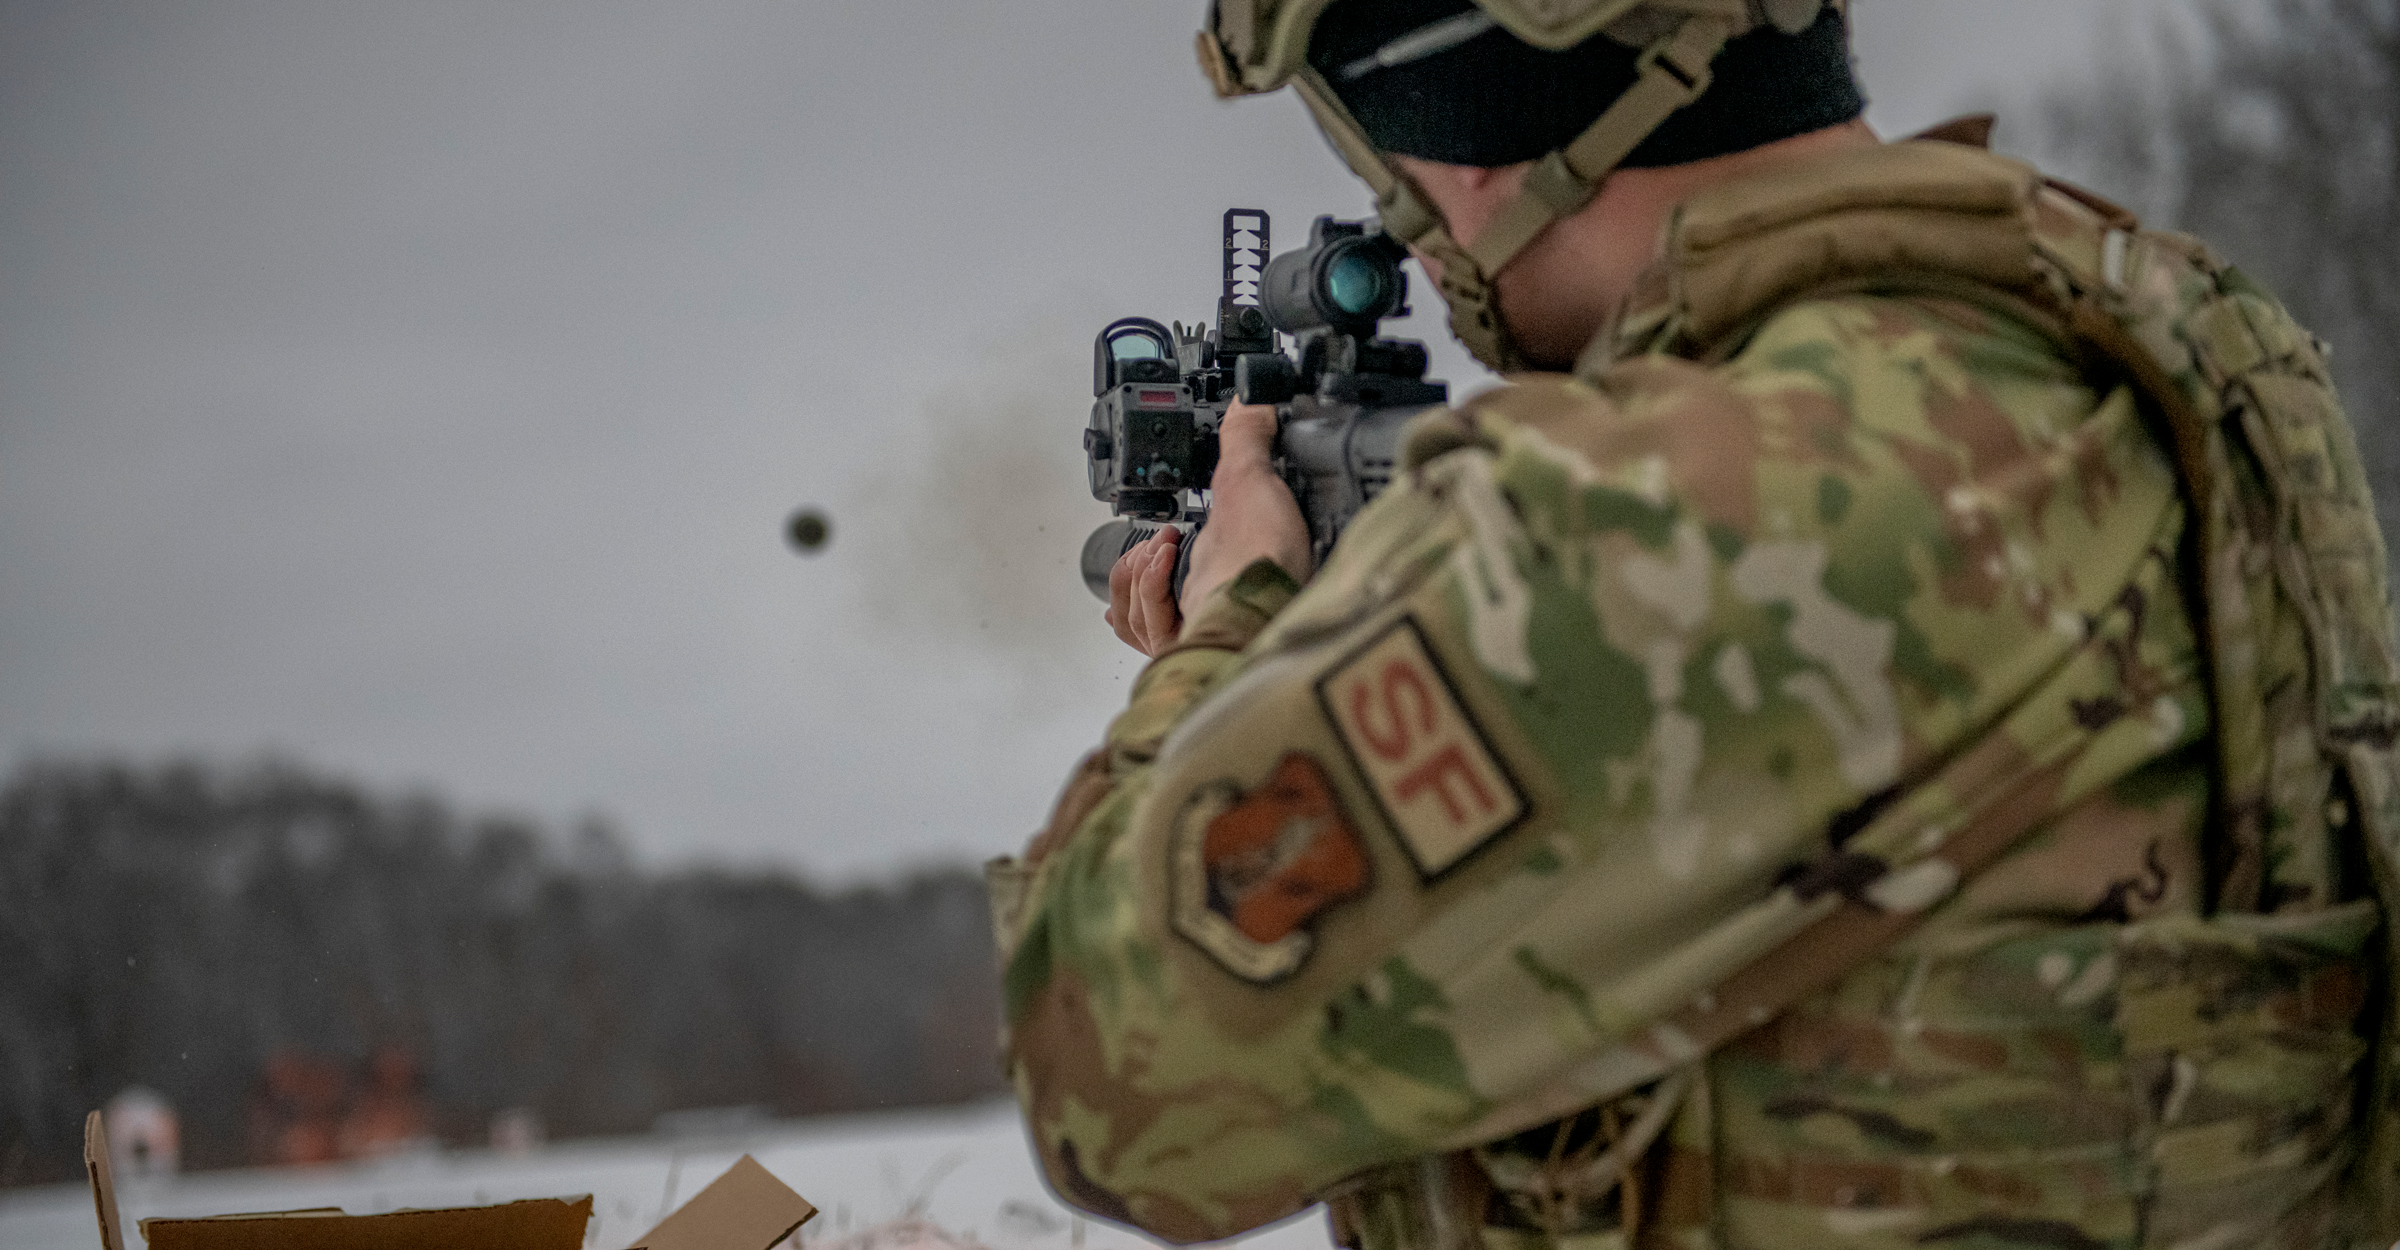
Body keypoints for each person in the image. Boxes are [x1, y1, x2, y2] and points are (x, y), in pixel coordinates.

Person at [988, 1, 2400, 1245]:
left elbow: (1110, 1085)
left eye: (1390, 171)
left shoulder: (1660, 518)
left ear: (1469, 148)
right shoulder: (2175, 346)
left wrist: (1231, 636)